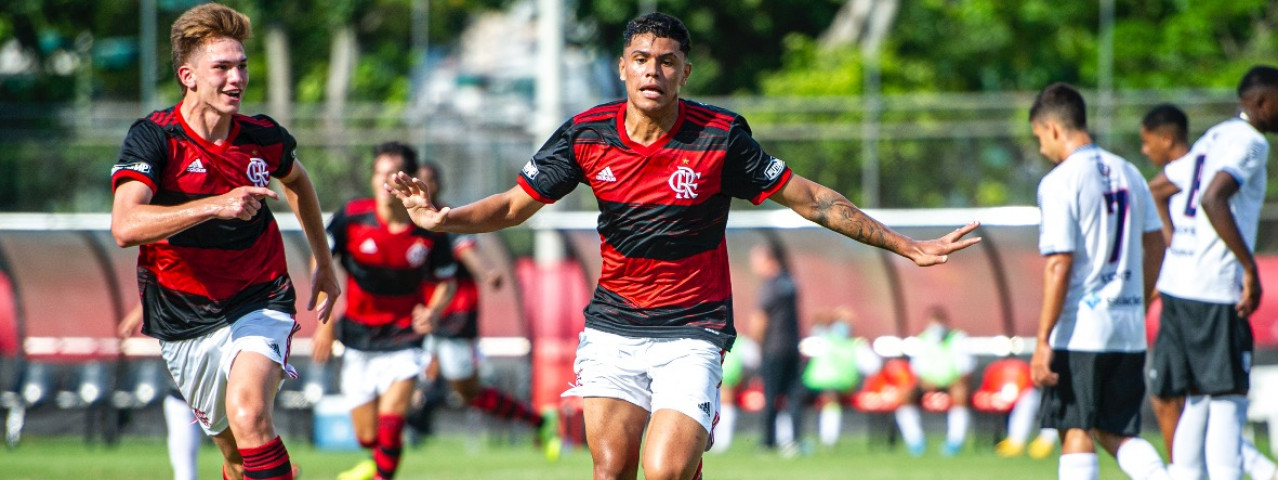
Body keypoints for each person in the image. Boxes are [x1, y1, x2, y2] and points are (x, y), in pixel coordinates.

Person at [385, 12, 981, 480]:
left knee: (665, 471)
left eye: (667, 62)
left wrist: (905, 246)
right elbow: (515, 205)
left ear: (684, 73)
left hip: (693, 331)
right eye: (642, 60)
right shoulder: (585, 134)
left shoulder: (720, 137)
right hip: (614, 328)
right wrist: (444, 219)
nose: (654, 72)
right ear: (622, 68)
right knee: (611, 470)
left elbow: (811, 199)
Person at [109, 4, 340, 479]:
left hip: (259, 298)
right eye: (222, 67)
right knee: (236, 460)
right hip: (181, 317)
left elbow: (298, 182)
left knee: (249, 415)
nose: (237, 79)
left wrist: (323, 260)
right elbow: (125, 226)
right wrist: (214, 205)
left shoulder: (261, 137)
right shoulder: (156, 138)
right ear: (188, 76)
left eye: (242, 66)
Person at [1027, 82, 1169, 480]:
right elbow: (1157, 244)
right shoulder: (1130, 172)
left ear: (1053, 128)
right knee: (1115, 431)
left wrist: (1043, 340)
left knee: (1075, 428)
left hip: (1080, 329)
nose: (1042, 148)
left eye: (1039, 138)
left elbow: (1060, 263)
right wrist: (1138, 300)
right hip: (1126, 328)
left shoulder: (1060, 181)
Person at [1143, 67, 1278, 480]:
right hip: (1214, 289)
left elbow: (1158, 190)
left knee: (1197, 399)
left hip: (1179, 287)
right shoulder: (1251, 142)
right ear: (1262, 102)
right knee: (1228, 399)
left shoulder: (1214, 136)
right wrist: (1248, 267)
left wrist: (1176, 243)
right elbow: (1213, 198)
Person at [312, 142, 458, 480]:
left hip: (405, 336)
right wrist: (325, 321)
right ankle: (376, 462)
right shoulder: (352, 217)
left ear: (409, 179)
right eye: (378, 174)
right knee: (368, 436)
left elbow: (447, 282)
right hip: (358, 337)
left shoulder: (429, 226)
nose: (382, 182)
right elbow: (321, 262)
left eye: (391, 174)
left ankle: (382, 473)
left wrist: (433, 311)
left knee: (391, 423)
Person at [413, 160, 560, 458]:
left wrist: (487, 272)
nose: (424, 186)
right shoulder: (407, 221)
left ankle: (539, 422)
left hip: (454, 316)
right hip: (419, 315)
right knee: (408, 381)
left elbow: (466, 250)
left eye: (429, 180)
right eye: (419, 179)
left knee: (467, 392)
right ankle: (385, 451)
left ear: (438, 185)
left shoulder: (446, 219)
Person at [119, 306, 203, 480]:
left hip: (224, 384)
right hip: (182, 394)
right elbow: (159, 286)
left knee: (239, 460)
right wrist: (137, 315)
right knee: (184, 473)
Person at [894, 305, 974, 457]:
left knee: (960, 393)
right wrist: (925, 382)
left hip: (952, 383)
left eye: (939, 320)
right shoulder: (923, 339)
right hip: (928, 383)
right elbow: (917, 369)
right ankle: (915, 441)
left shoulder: (958, 339)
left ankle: (955, 442)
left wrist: (955, 381)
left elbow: (966, 369)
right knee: (905, 394)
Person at [749, 241, 805, 454]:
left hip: (773, 347)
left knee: (771, 395)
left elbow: (760, 319)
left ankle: (768, 441)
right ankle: (793, 440)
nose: (754, 265)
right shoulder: (790, 281)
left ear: (768, 260)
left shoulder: (770, 285)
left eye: (756, 260)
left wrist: (757, 345)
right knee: (793, 395)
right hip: (792, 346)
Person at [801, 307, 880, 449]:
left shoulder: (855, 345)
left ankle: (828, 441)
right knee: (790, 399)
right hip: (812, 384)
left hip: (838, 388)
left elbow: (873, 366)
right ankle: (790, 441)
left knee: (830, 398)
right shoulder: (823, 339)